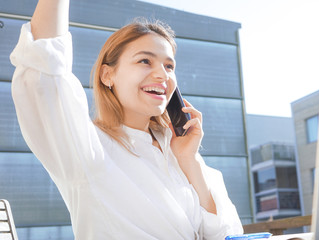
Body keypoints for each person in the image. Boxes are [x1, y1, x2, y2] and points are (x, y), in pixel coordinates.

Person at [10, 0, 243, 239]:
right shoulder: (88, 150)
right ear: (107, 74)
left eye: (169, 66)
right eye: (145, 61)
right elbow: (44, 67)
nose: (162, 74)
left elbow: (229, 233)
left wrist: (189, 161)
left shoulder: (180, 150)